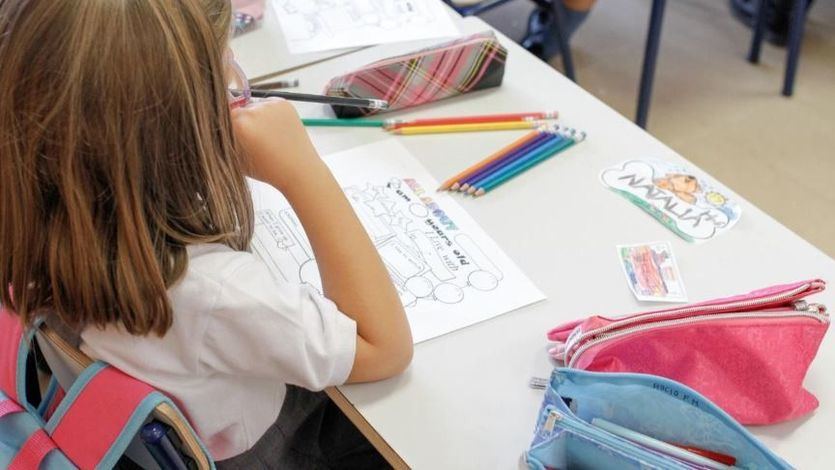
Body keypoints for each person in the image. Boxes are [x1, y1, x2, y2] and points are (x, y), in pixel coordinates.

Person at [0, 0, 412, 467]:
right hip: (277, 447)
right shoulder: (209, 291)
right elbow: (384, 349)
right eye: (225, 69)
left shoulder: (31, 212)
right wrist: (304, 172)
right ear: (180, 126)